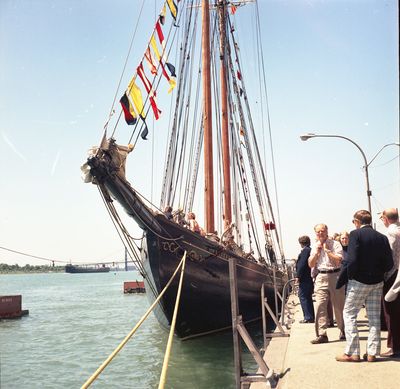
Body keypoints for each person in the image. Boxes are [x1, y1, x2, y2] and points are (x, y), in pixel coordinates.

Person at [336, 210, 393, 363]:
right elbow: (390, 263)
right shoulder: (382, 237)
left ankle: (352, 353)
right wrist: (379, 273)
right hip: (377, 282)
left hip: (359, 281)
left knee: (349, 314)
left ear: (356, 221)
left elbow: (352, 259)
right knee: (374, 318)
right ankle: (372, 353)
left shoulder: (355, 234)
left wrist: (351, 275)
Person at [308, 223, 345, 344]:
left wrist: (327, 251)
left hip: (335, 275)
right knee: (320, 306)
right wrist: (317, 253)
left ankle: (343, 331)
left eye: (322, 231)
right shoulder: (314, 246)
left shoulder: (335, 244)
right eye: (318, 232)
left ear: (327, 231)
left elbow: (339, 260)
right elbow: (311, 264)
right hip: (321, 276)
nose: (320, 233)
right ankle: (322, 334)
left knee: (339, 306)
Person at [380, 208, 400, 357]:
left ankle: (394, 347)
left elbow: (388, 257)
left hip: (393, 276)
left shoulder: (389, 233)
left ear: (386, 219)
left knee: (391, 313)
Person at [296, 236, 315, 323]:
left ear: (300, 243)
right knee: (307, 296)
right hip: (308, 278)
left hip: (305, 278)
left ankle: (308, 317)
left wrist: (298, 276)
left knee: (303, 296)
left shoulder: (305, 251)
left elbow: (302, 265)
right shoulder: (309, 250)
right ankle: (310, 316)